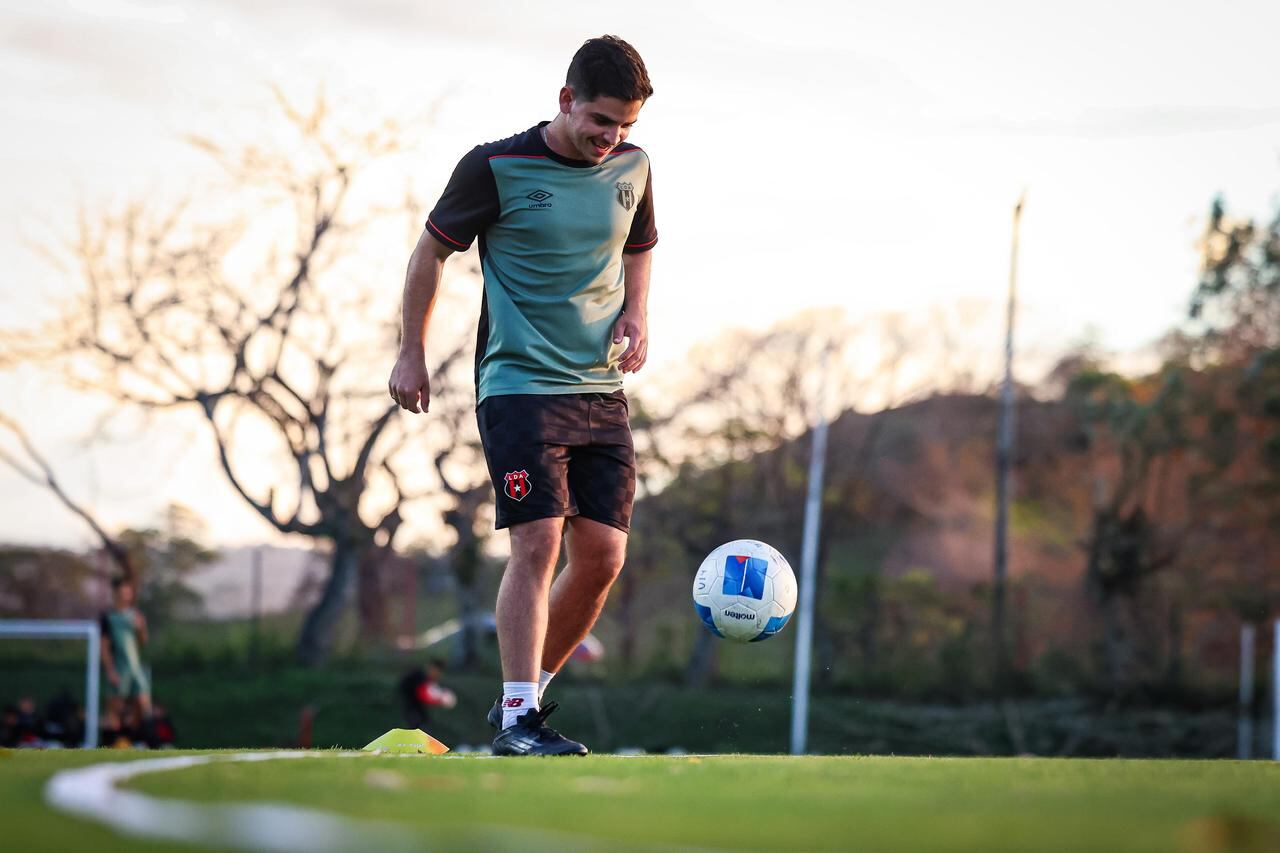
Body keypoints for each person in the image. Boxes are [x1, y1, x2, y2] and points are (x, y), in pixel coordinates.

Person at [388, 35, 656, 756]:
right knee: (538, 538)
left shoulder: (634, 167)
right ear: (566, 99)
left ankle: (523, 702)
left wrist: (637, 312)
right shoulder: (494, 167)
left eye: (625, 125)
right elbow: (429, 253)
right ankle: (516, 721)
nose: (612, 138)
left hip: (600, 389)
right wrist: (411, 350)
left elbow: (639, 244)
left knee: (602, 556)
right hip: (518, 385)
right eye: (601, 120)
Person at [100, 577, 153, 726]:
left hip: (135, 666)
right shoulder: (108, 617)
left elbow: (143, 642)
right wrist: (110, 670)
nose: (127, 596)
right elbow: (103, 646)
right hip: (118, 666)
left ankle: (133, 740)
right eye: (124, 592)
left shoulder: (135, 615)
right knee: (115, 707)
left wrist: (141, 628)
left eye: (129, 592)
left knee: (142, 703)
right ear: (116, 594)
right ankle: (110, 744)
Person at [397, 658, 456, 731]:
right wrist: (441, 700)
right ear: (433, 668)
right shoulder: (419, 676)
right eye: (439, 672)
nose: (439, 676)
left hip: (416, 713)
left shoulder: (424, 677)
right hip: (414, 713)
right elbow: (424, 695)